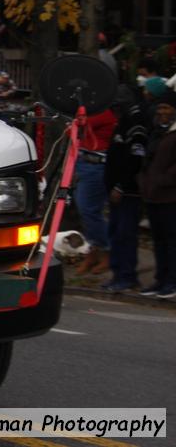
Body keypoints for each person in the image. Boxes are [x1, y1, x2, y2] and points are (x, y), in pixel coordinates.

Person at [101, 85, 149, 292]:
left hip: (128, 191)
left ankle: (127, 276)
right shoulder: (122, 122)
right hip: (115, 190)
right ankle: (117, 273)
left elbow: (135, 159)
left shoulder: (135, 123)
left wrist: (121, 186)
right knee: (115, 232)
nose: (114, 111)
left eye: (117, 107)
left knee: (125, 233)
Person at [137, 90, 176, 298]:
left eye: (167, 108)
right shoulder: (156, 132)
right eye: (160, 107)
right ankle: (160, 279)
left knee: (171, 240)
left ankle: (172, 281)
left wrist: (163, 180)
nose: (163, 112)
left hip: (170, 196)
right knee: (159, 240)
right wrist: (145, 181)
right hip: (153, 195)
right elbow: (147, 160)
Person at [73, 106, 119, 275]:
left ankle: (106, 250)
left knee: (89, 210)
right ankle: (95, 249)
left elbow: (79, 124)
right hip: (84, 162)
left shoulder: (103, 111)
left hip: (96, 165)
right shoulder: (92, 109)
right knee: (85, 209)